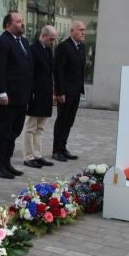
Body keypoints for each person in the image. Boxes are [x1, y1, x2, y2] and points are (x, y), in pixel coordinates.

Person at [0, 12, 34, 179]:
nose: (22, 23)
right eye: (18, 21)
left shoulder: (23, 42)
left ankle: (7, 163)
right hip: (7, 97)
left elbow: (28, 68)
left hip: (21, 96)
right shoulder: (2, 42)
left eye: (22, 20)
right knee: (4, 131)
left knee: (14, 131)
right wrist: (2, 92)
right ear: (8, 25)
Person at [22, 25, 58, 169]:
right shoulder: (33, 50)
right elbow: (29, 72)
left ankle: (37, 154)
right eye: (51, 39)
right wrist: (31, 91)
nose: (53, 42)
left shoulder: (48, 51)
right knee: (30, 127)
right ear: (43, 36)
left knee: (40, 127)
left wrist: (53, 91)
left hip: (45, 93)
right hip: (35, 93)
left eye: (54, 40)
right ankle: (28, 156)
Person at [52, 21, 86, 162]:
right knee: (62, 120)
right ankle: (57, 150)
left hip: (76, 91)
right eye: (80, 30)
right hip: (65, 91)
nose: (83, 32)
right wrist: (60, 92)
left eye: (84, 30)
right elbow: (58, 71)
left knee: (69, 121)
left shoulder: (81, 47)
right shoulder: (64, 47)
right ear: (71, 31)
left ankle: (63, 147)